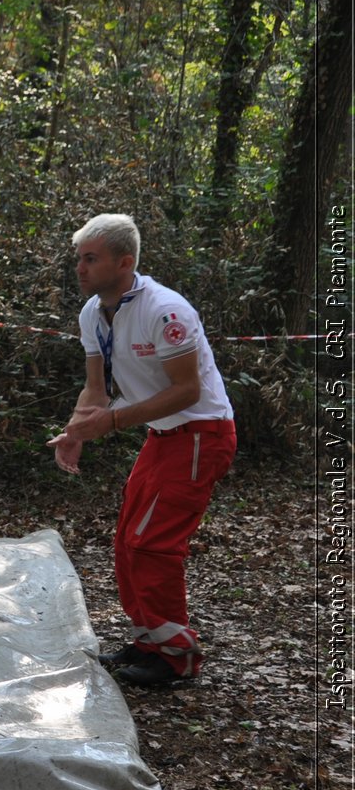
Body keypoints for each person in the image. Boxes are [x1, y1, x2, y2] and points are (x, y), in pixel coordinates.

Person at [48, 214, 236, 686]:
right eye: (79, 259)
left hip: (201, 434)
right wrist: (75, 431)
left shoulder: (165, 310)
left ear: (124, 262)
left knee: (151, 543)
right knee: (128, 537)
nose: (81, 268)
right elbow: (95, 388)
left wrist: (111, 421)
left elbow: (187, 391)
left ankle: (179, 656)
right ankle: (150, 639)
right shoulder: (94, 312)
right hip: (162, 436)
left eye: (91, 259)